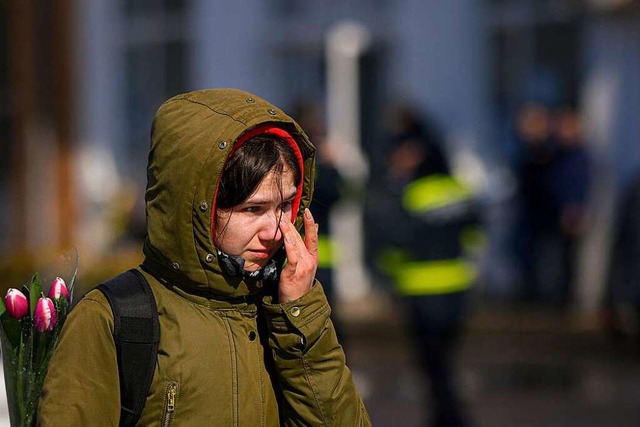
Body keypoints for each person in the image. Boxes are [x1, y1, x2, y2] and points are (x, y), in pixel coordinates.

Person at [39, 88, 371, 426]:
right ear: (195, 209)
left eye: (285, 205)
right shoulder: (117, 319)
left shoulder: (286, 312)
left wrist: (301, 320)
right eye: (252, 209)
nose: (275, 230)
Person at [374, 105, 479, 427]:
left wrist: (389, 275)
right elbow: (475, 235)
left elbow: (394, 244)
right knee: (447, 362)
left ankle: (448, 418)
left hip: (422, 293)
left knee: (433, 367)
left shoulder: (410, 195)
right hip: (459, 291)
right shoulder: (458, 190)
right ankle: (449, 416)